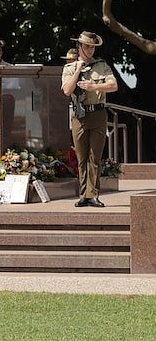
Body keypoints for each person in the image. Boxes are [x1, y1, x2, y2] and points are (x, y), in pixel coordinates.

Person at [61, 31, 118, 208]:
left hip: (98, 114)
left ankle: (93, 194)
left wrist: (94, 86)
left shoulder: (102, 66)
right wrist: (78, 69)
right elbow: (67, 91)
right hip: (79, 115)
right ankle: (83, 194)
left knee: (95, 156)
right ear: (79, 47)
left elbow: (113, 85)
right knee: (81, 157)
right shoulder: (69, 68)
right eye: (87, 46)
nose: (90, 50)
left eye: (93, 47)